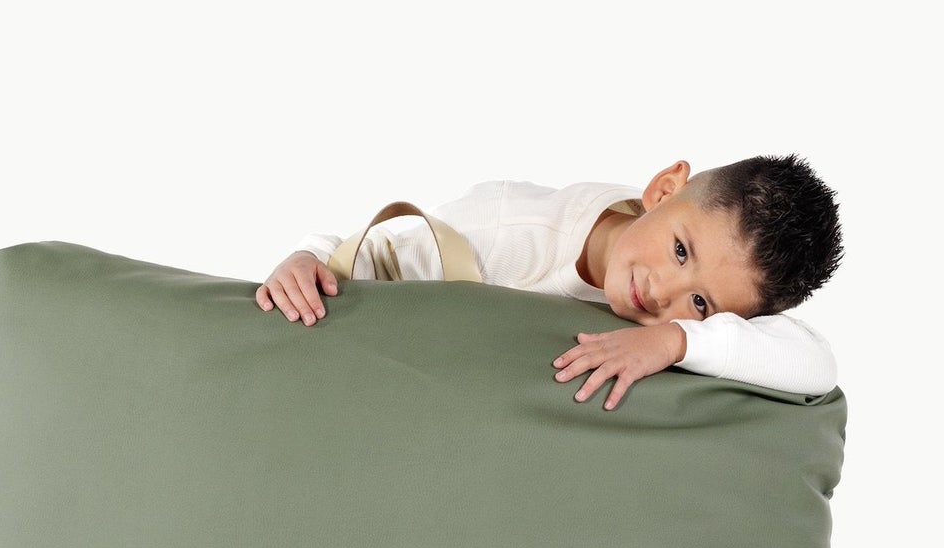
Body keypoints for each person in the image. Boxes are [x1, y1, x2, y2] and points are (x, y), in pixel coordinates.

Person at [254, 155, 845, 410]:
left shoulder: (698, 305)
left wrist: (677, 341)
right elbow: (374, 256)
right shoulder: (509, 234)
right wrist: (311, 256)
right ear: (662, 190)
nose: (662, 292)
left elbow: (816, 365)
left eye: (700, 302)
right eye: (679, 250)